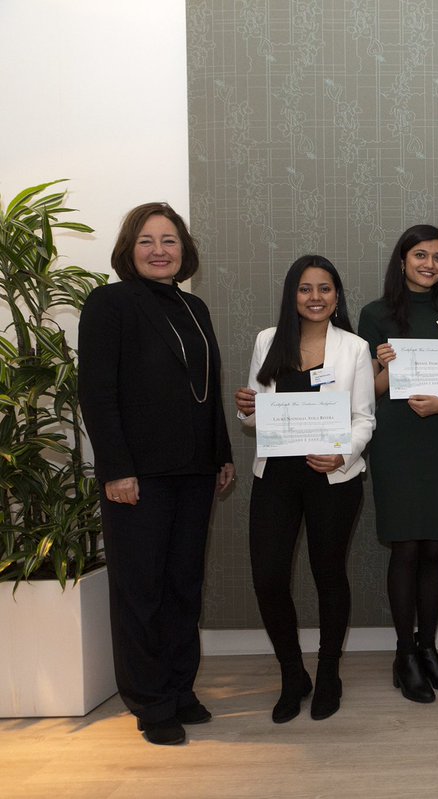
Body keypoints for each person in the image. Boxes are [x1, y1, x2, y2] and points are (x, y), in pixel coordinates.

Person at [78, 202, 235, 746]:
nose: (159, 250)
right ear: (129, 248)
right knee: (140, 588)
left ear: (183, 250)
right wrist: (116, 470)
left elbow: (207, 391)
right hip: (139, 477)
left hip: (195, 471)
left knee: (183, 587)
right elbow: (97, 395)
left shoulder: (195, 307)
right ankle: (150, 701)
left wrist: (222, 455)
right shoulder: (110, 303)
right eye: (147, 240)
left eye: (169, 240)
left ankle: (179, 688)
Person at [234, 255, 375, 723]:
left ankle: (329, 671)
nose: (315, 297)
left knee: (328, 574)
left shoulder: (353, 347)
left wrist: (343, 454)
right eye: (305, 289)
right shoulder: (267, 341)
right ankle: (293, 674)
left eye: (325, 289)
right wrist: (247, 406)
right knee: (268, 577)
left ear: (337, 297)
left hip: (331, 477)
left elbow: (364, 420)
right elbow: (253, 415)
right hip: (276, 475)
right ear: (292, 295)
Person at [358, 224, 438, 703]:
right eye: (421, 255)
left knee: (434, 550)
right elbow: (365, 392)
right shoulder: (375, 314)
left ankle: (429, 651)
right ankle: (403, 654)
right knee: (405, 548)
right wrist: (384, 367)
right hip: (398, 442)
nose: (430, 264)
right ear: (402, 259)